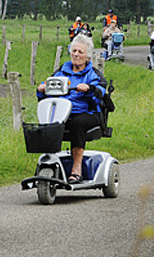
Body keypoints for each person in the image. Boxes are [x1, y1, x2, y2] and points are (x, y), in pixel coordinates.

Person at [36, 35, 105, 184]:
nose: (76, 54)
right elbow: (49, 84)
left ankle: (77, 168)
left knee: (77, 123)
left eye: (80, 52)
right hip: (62, 113)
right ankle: (48, 162)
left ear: (87, 56)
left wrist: (89, 88)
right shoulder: (62, 71)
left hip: (86, 113)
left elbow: (100, 93)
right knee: (48, 123)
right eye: (74, 50)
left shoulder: (92, 74)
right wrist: (42, 89)